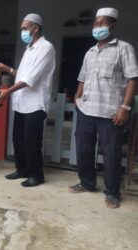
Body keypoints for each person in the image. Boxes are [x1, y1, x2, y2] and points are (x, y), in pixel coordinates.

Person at [69, 8, 138, 209]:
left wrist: (125, 107)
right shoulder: (90, 52)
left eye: (102, 23)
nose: (98, 27)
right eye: (96, 23)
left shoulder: (124, 48)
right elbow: (82, 77)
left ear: (112, 26)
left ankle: (112, 192)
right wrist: (78, 97)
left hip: (111, 112)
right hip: (86, 110)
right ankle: (87, 183)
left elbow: (132, 79)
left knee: (112, 154)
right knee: (84, 149)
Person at [0, 13, 56, 187]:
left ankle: (37, 175)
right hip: (21, 103)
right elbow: (23, 74)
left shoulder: (46, 48)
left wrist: (7, 92)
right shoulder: (29, 49)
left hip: (35, 104)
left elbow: (31, 79)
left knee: (32, 141)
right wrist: (9, 69)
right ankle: (22, 169)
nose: (22, 31)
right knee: (18, 139)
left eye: (24, 28)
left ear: (35, 28)